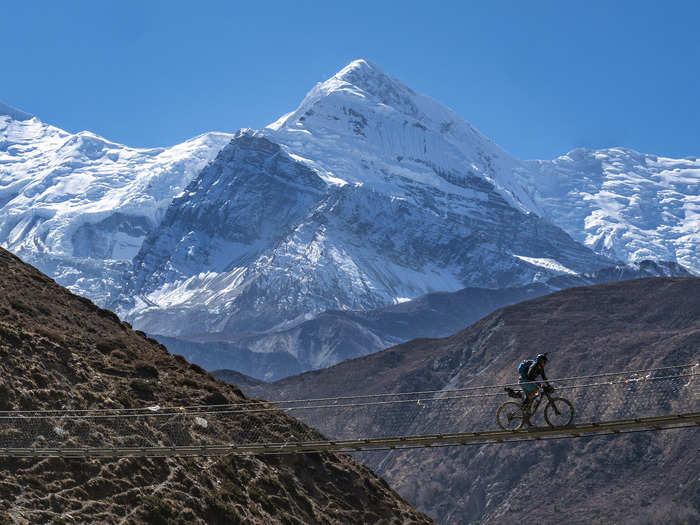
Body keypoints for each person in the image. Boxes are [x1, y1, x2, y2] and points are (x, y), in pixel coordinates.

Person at [519, 353, 553, 423]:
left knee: (531, 399)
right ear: (540, 361)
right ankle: (525, 403)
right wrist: (538, 384)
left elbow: (544, 377)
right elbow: (529, 376)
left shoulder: (541, 368)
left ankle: (526, 417)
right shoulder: (533, 366)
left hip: (528, 382)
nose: (545, 363)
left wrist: (549, 385)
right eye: (544, 362)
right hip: (524, 381)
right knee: (536, 390)